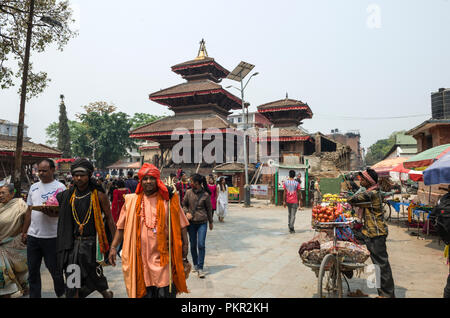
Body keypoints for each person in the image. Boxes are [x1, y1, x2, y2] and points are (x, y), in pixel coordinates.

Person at [108, 163, 190, 298]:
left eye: (151, 178)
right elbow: (121, 227)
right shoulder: (131, 201)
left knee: (165, 293)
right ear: (140, 181)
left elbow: (182, 225)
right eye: (145, 179)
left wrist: (185, 246)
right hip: (140, 258)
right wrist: (113, 247)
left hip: (163, 258)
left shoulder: (168, 201)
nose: (148, 182)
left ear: (157, 180)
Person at [56, 158, 116, 298]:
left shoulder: (98, 194)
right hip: (73, 245)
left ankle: (105, 293)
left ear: (89, 175)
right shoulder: (69, 195)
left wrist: (114, 244)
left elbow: (109, 218)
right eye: (75, 175)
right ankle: (77, 294)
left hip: (91, 245)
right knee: (73, 279)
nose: (78, 178)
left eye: (82, 175)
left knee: (93, 275)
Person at [21, 159, 66, 298]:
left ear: (53, 170)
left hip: (52, 237)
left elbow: (64, 212)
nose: (41, 173)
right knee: (33, 272)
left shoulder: (60, 188)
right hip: (34, 237)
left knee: (55, 271)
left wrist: (53, 212)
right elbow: (29, 210)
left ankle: (61, 294)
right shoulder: (33, 187)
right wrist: (24, 231)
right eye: (39, 170)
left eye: (44, 170)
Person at [348, 168, 395, 298]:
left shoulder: (372, 193)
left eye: (362, 179)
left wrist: (349, 195)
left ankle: (388, 295)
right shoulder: (372, 191)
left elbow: (352, 200)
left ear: (368, 181)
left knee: (382, 265)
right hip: (368, 232)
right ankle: (347, 269)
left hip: (376, 233)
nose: (360, 181)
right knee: (348, 235)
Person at [0, 184, 29, 298]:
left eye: (3, 193)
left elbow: (28, 218)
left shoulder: (20, 205)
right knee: (4, 278)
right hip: (1, 247)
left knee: (20, 274)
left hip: (14, 244)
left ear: (12, 194)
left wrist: (24, 233)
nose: (0, 195)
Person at [182, 174, 213, 278]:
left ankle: (200, 267)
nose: (191, 183)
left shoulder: (205, 195)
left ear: (198, 183)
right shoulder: (188, 192)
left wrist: (211, 222)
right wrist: (186, 213)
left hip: (202, 223)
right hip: (191, 224)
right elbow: (183, 204)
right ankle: (195, 264)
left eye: (193, 182)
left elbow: (209, 209)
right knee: (193, 245)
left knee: (201, 244)